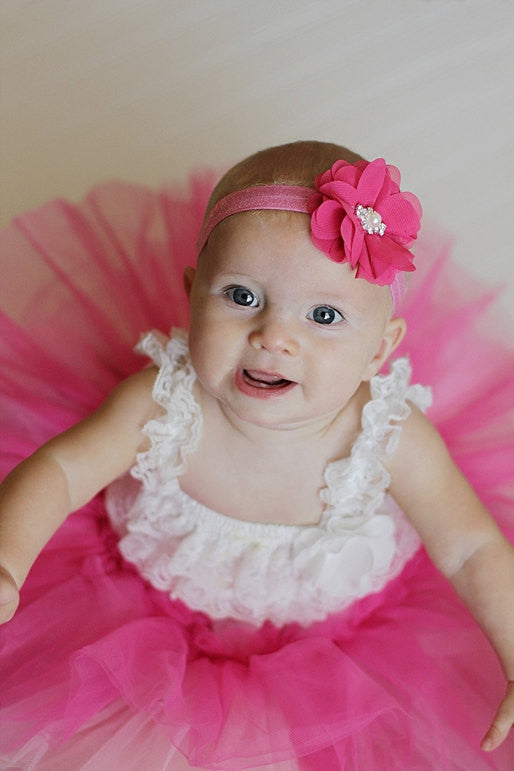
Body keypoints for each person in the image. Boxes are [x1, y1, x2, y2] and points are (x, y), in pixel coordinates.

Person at [0, 140, 513, 770]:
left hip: (337, 660)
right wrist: (8, 558)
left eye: (324, 314)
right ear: (191, 297)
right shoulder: (163, 402)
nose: (274, 337)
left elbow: (470, 548)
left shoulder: (390, 435)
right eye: (241, 297)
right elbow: (61, 470)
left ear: (381, 350)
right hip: (143, 633)